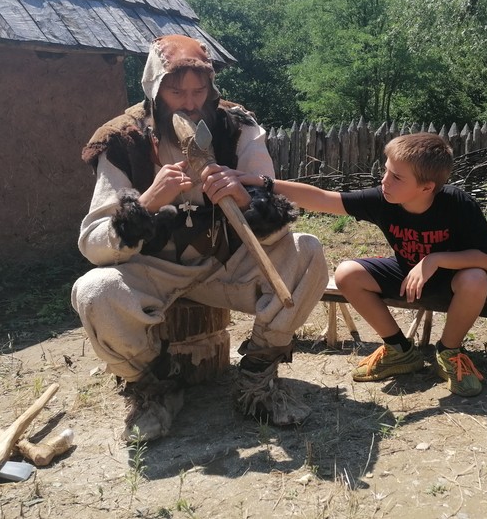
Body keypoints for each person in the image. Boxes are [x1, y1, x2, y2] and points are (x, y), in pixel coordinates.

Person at [71, 34, 328, 441]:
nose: (190, 103)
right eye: (176, 91)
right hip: (153, 271)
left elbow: (278, 213)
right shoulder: (122, 138)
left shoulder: (236, 125)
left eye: (199, 90)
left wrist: (245, 197)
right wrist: (148, 203)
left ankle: (256, 381)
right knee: (94, 291)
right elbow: (94, 245)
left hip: (225, 264)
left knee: (308, 250)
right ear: (155, 90)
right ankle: (154, 388)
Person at [213, 132, 487, 397]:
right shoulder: (383, 199)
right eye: (386, 170)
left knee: (476, 278)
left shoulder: (457, 204)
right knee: (347, 273)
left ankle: (450, 352)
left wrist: (435, 260)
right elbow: (323, 198)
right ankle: (399, 350)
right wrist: (264, 182)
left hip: (452, 285)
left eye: (397, 177)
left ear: (427, 187)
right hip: (406, 276)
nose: (385, 181)